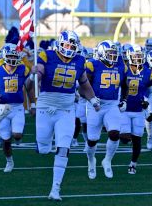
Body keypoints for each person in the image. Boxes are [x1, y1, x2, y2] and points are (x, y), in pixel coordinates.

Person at [32, 31, 99, 201]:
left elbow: (84, 83)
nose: (69, 48)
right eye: (67, 45)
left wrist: (93, 99)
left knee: (63, 147)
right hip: (46, 105)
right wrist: (36, 73)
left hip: (66, 108)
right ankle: (41, 145)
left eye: (72, 45)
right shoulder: (46, 55)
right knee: (44, 148)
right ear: (60, 44)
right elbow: (39, 72)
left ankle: (55, 189)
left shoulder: (79, 60)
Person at [0, 44, 34, 173]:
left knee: (17, 135)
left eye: (15, 56)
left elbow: (29, 87)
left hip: (18, 106)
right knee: (6, 139)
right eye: (10, 56)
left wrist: (31, 76)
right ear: (4, 56)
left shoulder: (22, 69)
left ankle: (18, 137)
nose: (13, 59)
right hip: (3, 107)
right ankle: (9, 161)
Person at [85, 40, 128, 179]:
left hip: (112, 105)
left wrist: (124, 100)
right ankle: (91, 160)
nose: (113, 56)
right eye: (110, 53)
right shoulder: (93, 65)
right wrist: (91, 98)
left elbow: (125, 85)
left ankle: (107, 160)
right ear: (102, 53)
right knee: (92, 139)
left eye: (115, 53)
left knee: (115, 133)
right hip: (95, 104)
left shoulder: (121, 65)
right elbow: (82, 86)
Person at [120, 44, 152, 174]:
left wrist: (148, 102)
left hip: (138, 111)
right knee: (124, 138)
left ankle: (133, 164)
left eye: (140, 56)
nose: (138, 58)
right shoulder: (123, 70)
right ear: (129, 56)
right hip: (124, 110)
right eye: (135, 56)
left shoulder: (147, 72)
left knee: (137, 139)